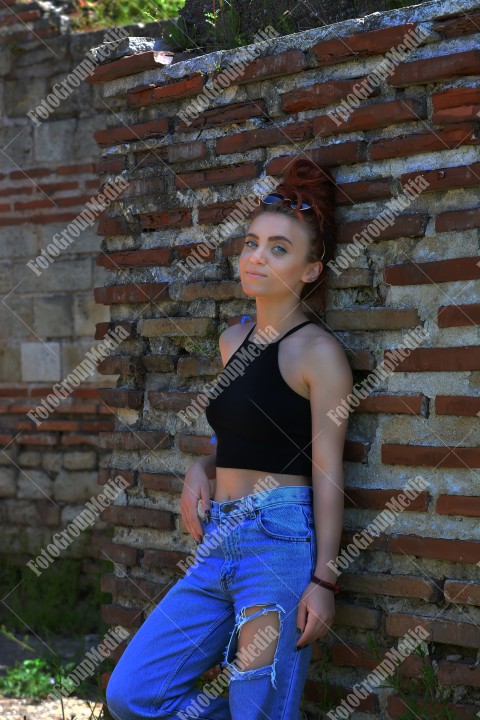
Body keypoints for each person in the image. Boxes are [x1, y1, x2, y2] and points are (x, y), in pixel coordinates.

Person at [105, 157, 354, 720]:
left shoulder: (318, 354)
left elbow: (328, 471)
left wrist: (324, 579)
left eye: (278, 249)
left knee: (257, 706)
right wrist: (204, 468)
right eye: (251, 243)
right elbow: (248, 437)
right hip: (220, 537)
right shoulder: (232, 340)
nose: (256, 257)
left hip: (280, 540)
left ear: (311, 270)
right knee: (133, 694)